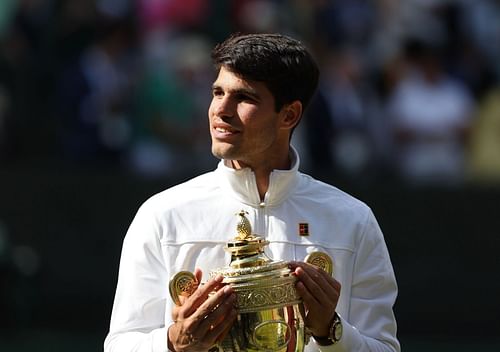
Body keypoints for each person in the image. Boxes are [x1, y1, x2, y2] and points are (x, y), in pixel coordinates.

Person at [104, 33, 400, 352]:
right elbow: (121, 343)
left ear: (289, 115)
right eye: (218, 92)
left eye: (244, 98)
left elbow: (383, 347)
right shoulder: (162, 215)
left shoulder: (353, 220)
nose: (222, 110)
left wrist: (330, 331)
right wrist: (174, 343)